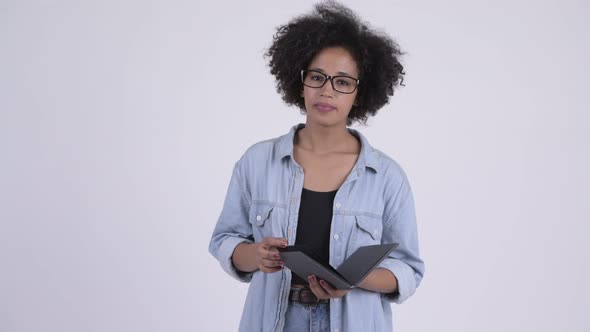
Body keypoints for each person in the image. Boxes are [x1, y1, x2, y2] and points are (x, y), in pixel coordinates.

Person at [209, 1, 424, 331]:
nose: (327, 90)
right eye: (317, 77)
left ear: (359, 92)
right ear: (300, 82)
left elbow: (408, 269)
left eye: (342, 81)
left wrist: (355, 280)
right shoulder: (257, 162)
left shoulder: (386, 177)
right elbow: (225, 239)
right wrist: (255, 255)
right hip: (274, 322)